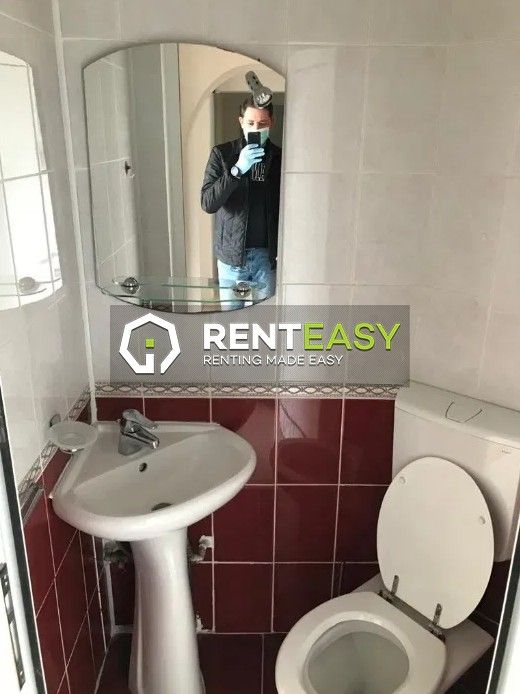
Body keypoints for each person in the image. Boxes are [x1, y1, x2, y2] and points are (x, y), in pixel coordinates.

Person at [200, 95, 281, 303]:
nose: (256, 128)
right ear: (241, 122)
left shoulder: (281, 158)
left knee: (265, 317)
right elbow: (208, 203)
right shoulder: (222, 154)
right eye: (250, 123)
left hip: (267, 257)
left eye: (262, 123)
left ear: (271, 122)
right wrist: (236, 170)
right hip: (232, 256)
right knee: (231, 317)